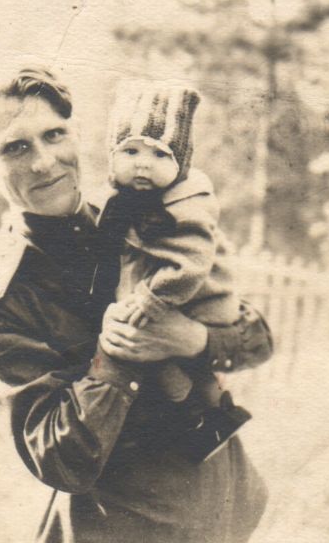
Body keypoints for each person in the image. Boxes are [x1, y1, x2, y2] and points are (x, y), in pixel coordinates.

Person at [0, 68, 273, 543]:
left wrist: (194, 339)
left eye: (54, 135)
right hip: (129, 527)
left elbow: (255, 339)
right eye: (15, 148)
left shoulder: (138, 212)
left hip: (228, 508)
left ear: (77, 134)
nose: (44, 163)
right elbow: (60, 460)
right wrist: (119, 351)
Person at [98, 84, 245, 419]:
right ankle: (187, 405)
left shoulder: (185, 205)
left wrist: (150, 299)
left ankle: (203, 409)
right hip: (162, 300)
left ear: (182, 163)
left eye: (160, 154)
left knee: (166, 358)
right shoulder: (121, 198)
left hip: (193, 302)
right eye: (130, 151)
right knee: (144, 351)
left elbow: (191, 264)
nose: (143, 165)